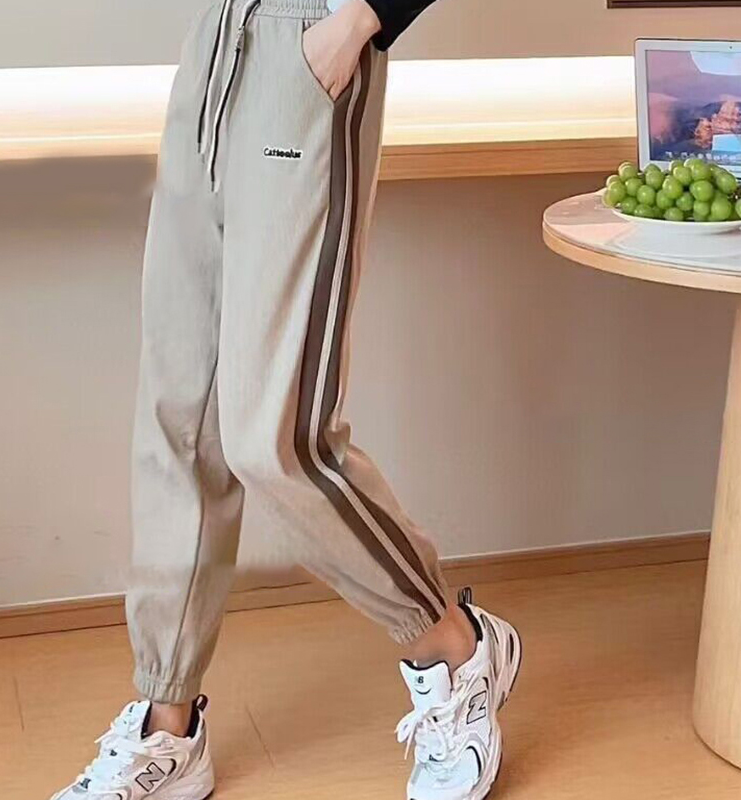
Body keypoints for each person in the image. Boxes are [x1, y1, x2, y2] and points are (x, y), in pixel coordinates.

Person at [49, 0, 521, 798]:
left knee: (273, 436)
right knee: (179, 420)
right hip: (216, 46)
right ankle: (169, 728)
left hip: (306, 44)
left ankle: (454, 646)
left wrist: (360, 18)